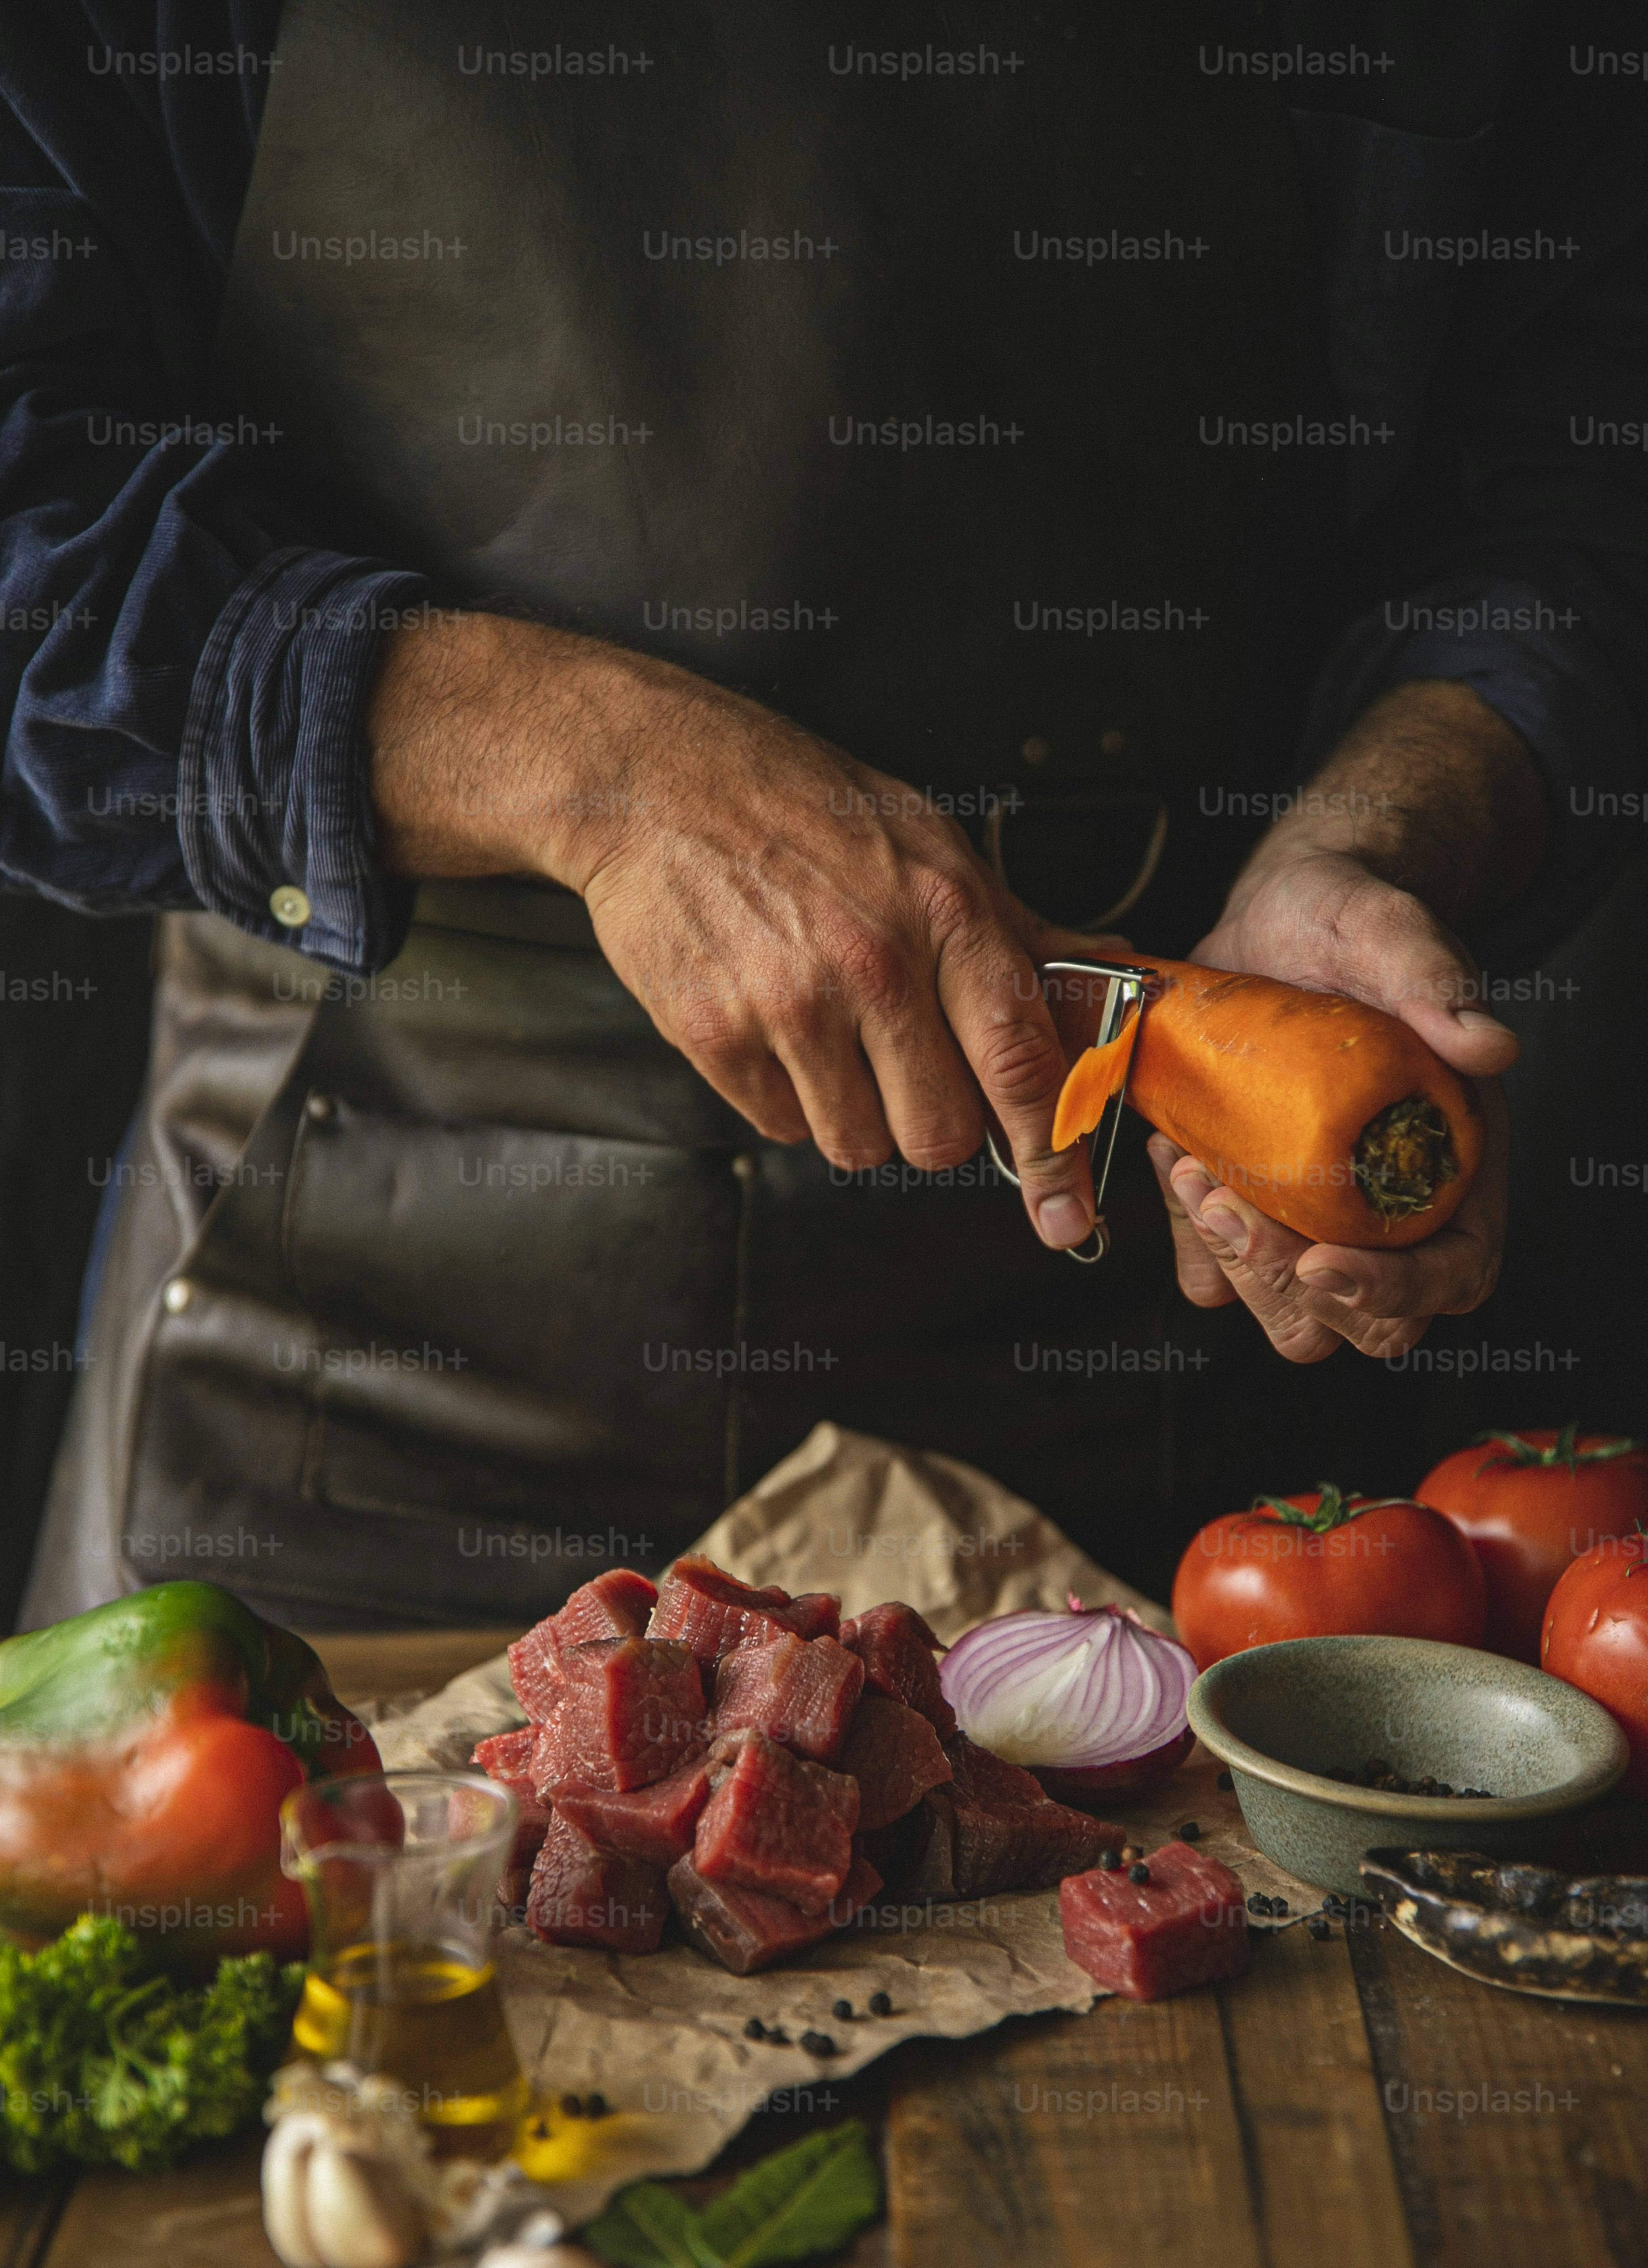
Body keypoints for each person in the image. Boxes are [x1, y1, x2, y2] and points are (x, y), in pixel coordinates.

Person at [3, 4, 1644, 1631]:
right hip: (335, 1373)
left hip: (1137, 1406)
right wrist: (596, 771)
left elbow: (1570, 494)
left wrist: (1371, 834)